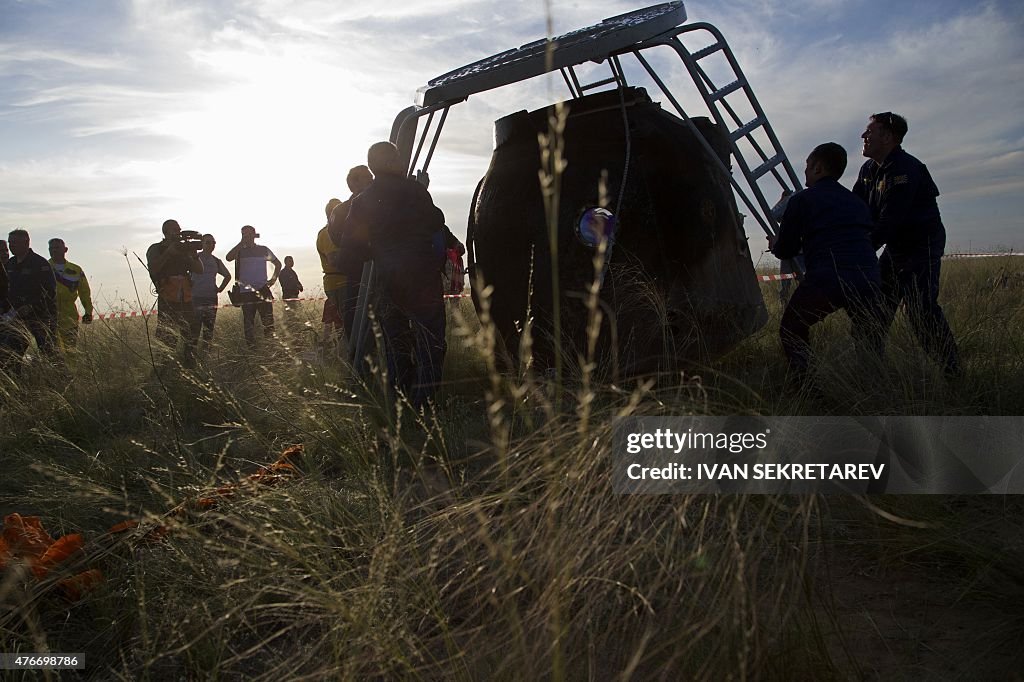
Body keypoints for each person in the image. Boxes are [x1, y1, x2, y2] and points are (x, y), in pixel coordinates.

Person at [340, 142, 450, 408]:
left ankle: (401, 401)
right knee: (430, 340)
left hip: (387, 280)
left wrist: (371, 256)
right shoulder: (415, 191)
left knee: (395, 342)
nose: (402, 161)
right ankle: (425, 403)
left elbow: (348, 249)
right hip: (422, 277)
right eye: (398, 157)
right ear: (389, 162)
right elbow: (437, 220)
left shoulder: (362, 201)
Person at [853, 112, 961, 377]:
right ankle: (871, 373)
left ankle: (952, 371)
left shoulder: (906, 169)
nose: (864, 136)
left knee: (920, 309)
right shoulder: (868, 170)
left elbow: (890, 221)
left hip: (920, 245)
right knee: (873, 309)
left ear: (888, 137)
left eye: (870, 131)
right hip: (895, 246)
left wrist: (857, 252)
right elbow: (855, 209)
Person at [770, 143, 883, 381]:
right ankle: (873, 384)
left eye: (808, 167)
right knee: (869, 333)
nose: (806, 173)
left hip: (829, 276)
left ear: (818, 168)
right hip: (869, 276)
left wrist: (775, 245)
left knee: (792, 327)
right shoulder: (856, 202)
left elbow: (786, 249)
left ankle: (809, 388)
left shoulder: (801, 200)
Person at [326, 165, 375, 337]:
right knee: (355, 314)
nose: (371, 179)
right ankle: (356, 354)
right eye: (366, 176)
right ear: (353, 183)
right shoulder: (341, 211)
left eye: (371, 175)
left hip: (382, 270)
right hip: (356, 270)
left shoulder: (383, 203)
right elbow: (337, 237)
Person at [146, 219, 203, 360]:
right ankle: (164, 369)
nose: (177, 232)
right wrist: (169, 253)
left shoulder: (183, 251)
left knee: (190, 338)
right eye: (174, 230)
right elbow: (153, 268)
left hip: (186, 299)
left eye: (178, 229)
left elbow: (199, 269)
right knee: (167, 339)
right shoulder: (156, 249)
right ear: (165, 232)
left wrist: (193, 254)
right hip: (168, 300)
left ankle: (189, 366)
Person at [1, 229, 57, 368]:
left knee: (49, 355)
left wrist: (31, 306)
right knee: (10, 356)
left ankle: (58, 383)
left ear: (26, 242)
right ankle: (17, 386)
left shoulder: (40, 263)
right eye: (10, 243)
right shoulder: (10, 265)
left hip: (40, 318)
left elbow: (49, 292)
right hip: (17, 319)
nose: (11, 246)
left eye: (14, 242)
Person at [225, 225, 281, 347]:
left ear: (254, 235)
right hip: (246, 293)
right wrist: (240, 244)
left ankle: (271, 348)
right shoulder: (239, 251)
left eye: (249, 234)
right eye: (244, 234)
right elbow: (228, 257)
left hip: (263, 290)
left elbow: (278, 264)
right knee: (249, 324)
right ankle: (252, 349)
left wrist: (272, 280)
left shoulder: (263, 250)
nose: (247, 237)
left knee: (268, 322)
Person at [47, 238, 93, 350]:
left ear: (65, 249)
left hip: (70, 317)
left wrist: (88, 312)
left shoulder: (76, 269)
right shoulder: (44, 267)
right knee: (53, 352)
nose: (54, 250)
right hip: (49, 316)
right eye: (51, 248)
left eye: (57, 248)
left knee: (71, 350)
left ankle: (72, 368)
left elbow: (84, 292)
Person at [191, 233, 231, 348]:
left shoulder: (216, 261)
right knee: (194, 330)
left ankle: (205, 355)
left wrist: (219, 289)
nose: (211, 245)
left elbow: (227, 275)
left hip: (211, 298)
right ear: (202, 244)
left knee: (208, 330)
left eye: (213, 242)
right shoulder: (194, 257)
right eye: (208, 242)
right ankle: (192, 357)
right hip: (196, 298)